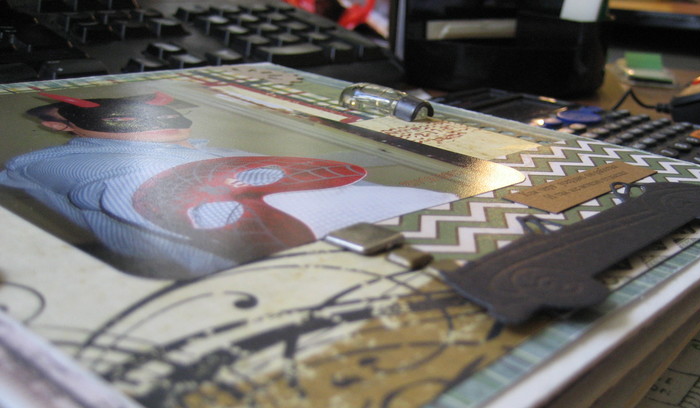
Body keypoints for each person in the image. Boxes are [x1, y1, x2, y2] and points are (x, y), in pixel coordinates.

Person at [0, 92, 455, 278]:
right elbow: (138, 195)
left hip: (370, 221)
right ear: (59, 124)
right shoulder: (51, 161)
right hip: (270, 250)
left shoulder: (200, 146)